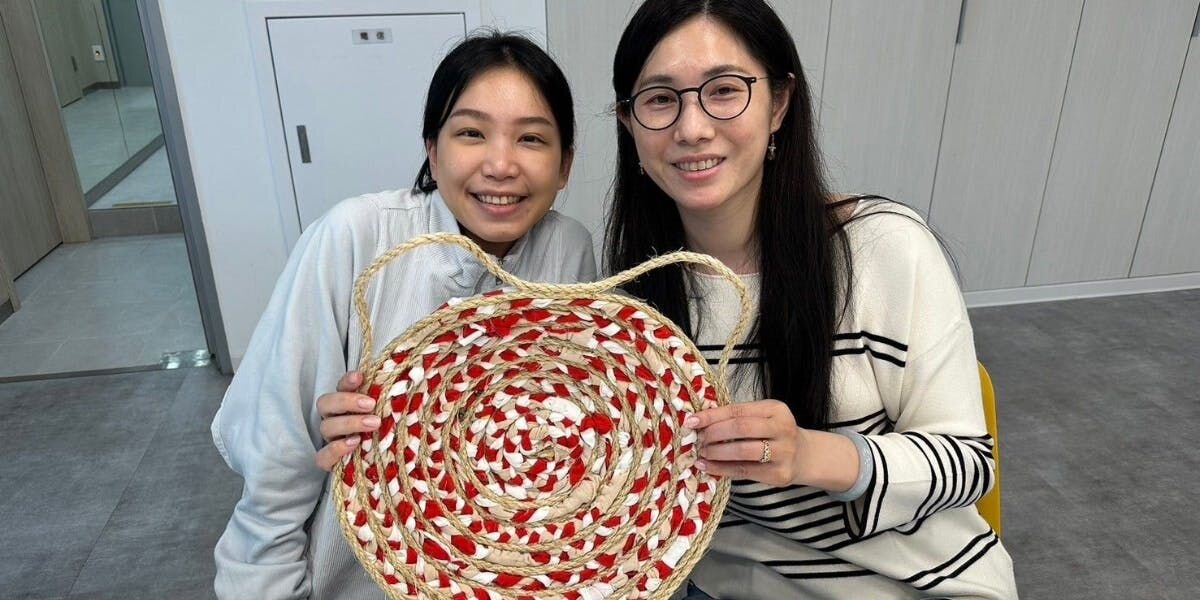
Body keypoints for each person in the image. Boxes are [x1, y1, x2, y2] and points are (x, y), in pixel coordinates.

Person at [605, 0, 1018, 598]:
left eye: (725, 91)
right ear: (629, 123)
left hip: (917, 583)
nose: (691, 127)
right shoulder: (630, 298)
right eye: (660, 99)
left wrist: (809, 455)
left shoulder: (882, 247)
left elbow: (969, 464)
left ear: (779, 103)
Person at [210, 31, 595, 599]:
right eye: (471, 133)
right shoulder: (356, 236)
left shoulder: (570, 249)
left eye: (531, 139)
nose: (500, 165)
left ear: (565, 165)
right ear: (432, 150)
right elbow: (277, 456)